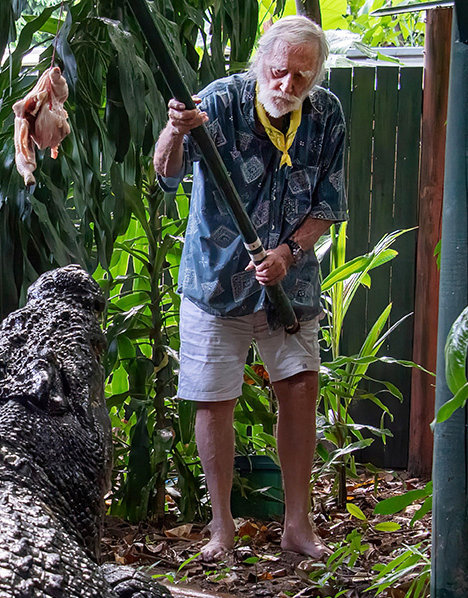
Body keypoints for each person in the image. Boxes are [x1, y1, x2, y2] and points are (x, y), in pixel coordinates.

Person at [153, 15, 347, 560]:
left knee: (301, 389)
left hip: (291, 285)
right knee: (214, 400)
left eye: (301, 78)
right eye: (279, 72)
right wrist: (175, 128)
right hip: (217, 282)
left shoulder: (327, 115)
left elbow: (328, 206)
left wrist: (289, 252)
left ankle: (297, 526)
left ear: (317, 77)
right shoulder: (219, 101)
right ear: (260, 63)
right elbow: (165, 174)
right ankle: (221, 529)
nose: (287, 86)